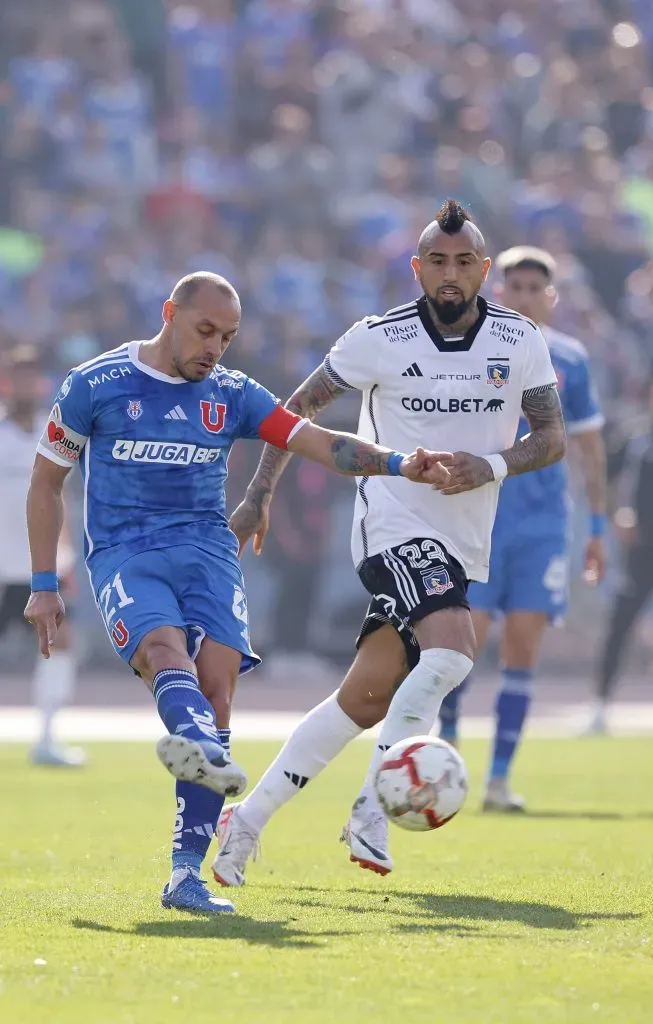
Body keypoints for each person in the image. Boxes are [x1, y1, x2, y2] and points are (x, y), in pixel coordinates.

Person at [24, 271, 449, 914]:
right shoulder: (94, 385)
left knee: (217, 693)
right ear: (169, 313)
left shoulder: (233, 392)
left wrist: (397, 461)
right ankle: (203, 754)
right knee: (165, 656)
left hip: (210, 554)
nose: (215, 347)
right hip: (127, 555)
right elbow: (45, 484)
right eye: (205, 331)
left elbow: (321, 443)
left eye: (227, 336)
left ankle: (184, 873)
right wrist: (42, 584)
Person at [212, 200, 566, 887]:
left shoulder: (519, 340)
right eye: (436, 261)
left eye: (463, 262)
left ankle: (245, 822)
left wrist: (488, 467)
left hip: (463, 540)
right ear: (417, 267)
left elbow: (549, 437)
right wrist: (259, 494)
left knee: (366, 699)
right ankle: (375, 805)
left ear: (483, 269)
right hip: (393, 524)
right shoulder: (380, 336)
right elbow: (292, 414)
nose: (450, 274)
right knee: (453, 650)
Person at [437, 246, 607, 810]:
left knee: (522, 648)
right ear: (499, 290)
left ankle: (499, 780)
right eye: (518, 287)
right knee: (463, 645)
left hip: (543, 524)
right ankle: (445, 763)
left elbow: (588, 446)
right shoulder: (475, 348)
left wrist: (599, 526)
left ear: (551, 296)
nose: (528, 297)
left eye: (539, 288)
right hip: (483, 517)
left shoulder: (571, 360)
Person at [0, 345, 84, 767]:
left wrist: (63, 559)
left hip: (37, 567)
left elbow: (58, 497)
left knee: (59, 644)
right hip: (0, 566)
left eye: (34, 378)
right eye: (19, 377)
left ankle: (48, 739)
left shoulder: (51, 434)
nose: (27, 386)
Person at [591, 365, 653, 733]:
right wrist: (616, 515)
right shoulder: (639, 439)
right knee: (620, 625)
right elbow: (604, 476)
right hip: (643, 551)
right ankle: (600, 706)